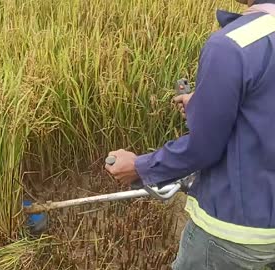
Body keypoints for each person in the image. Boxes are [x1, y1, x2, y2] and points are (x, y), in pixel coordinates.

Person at [105, 0, 275, 269]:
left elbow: (203, 149)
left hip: (233, 234)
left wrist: (139, 167)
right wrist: (204, 104)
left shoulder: (232, 44)